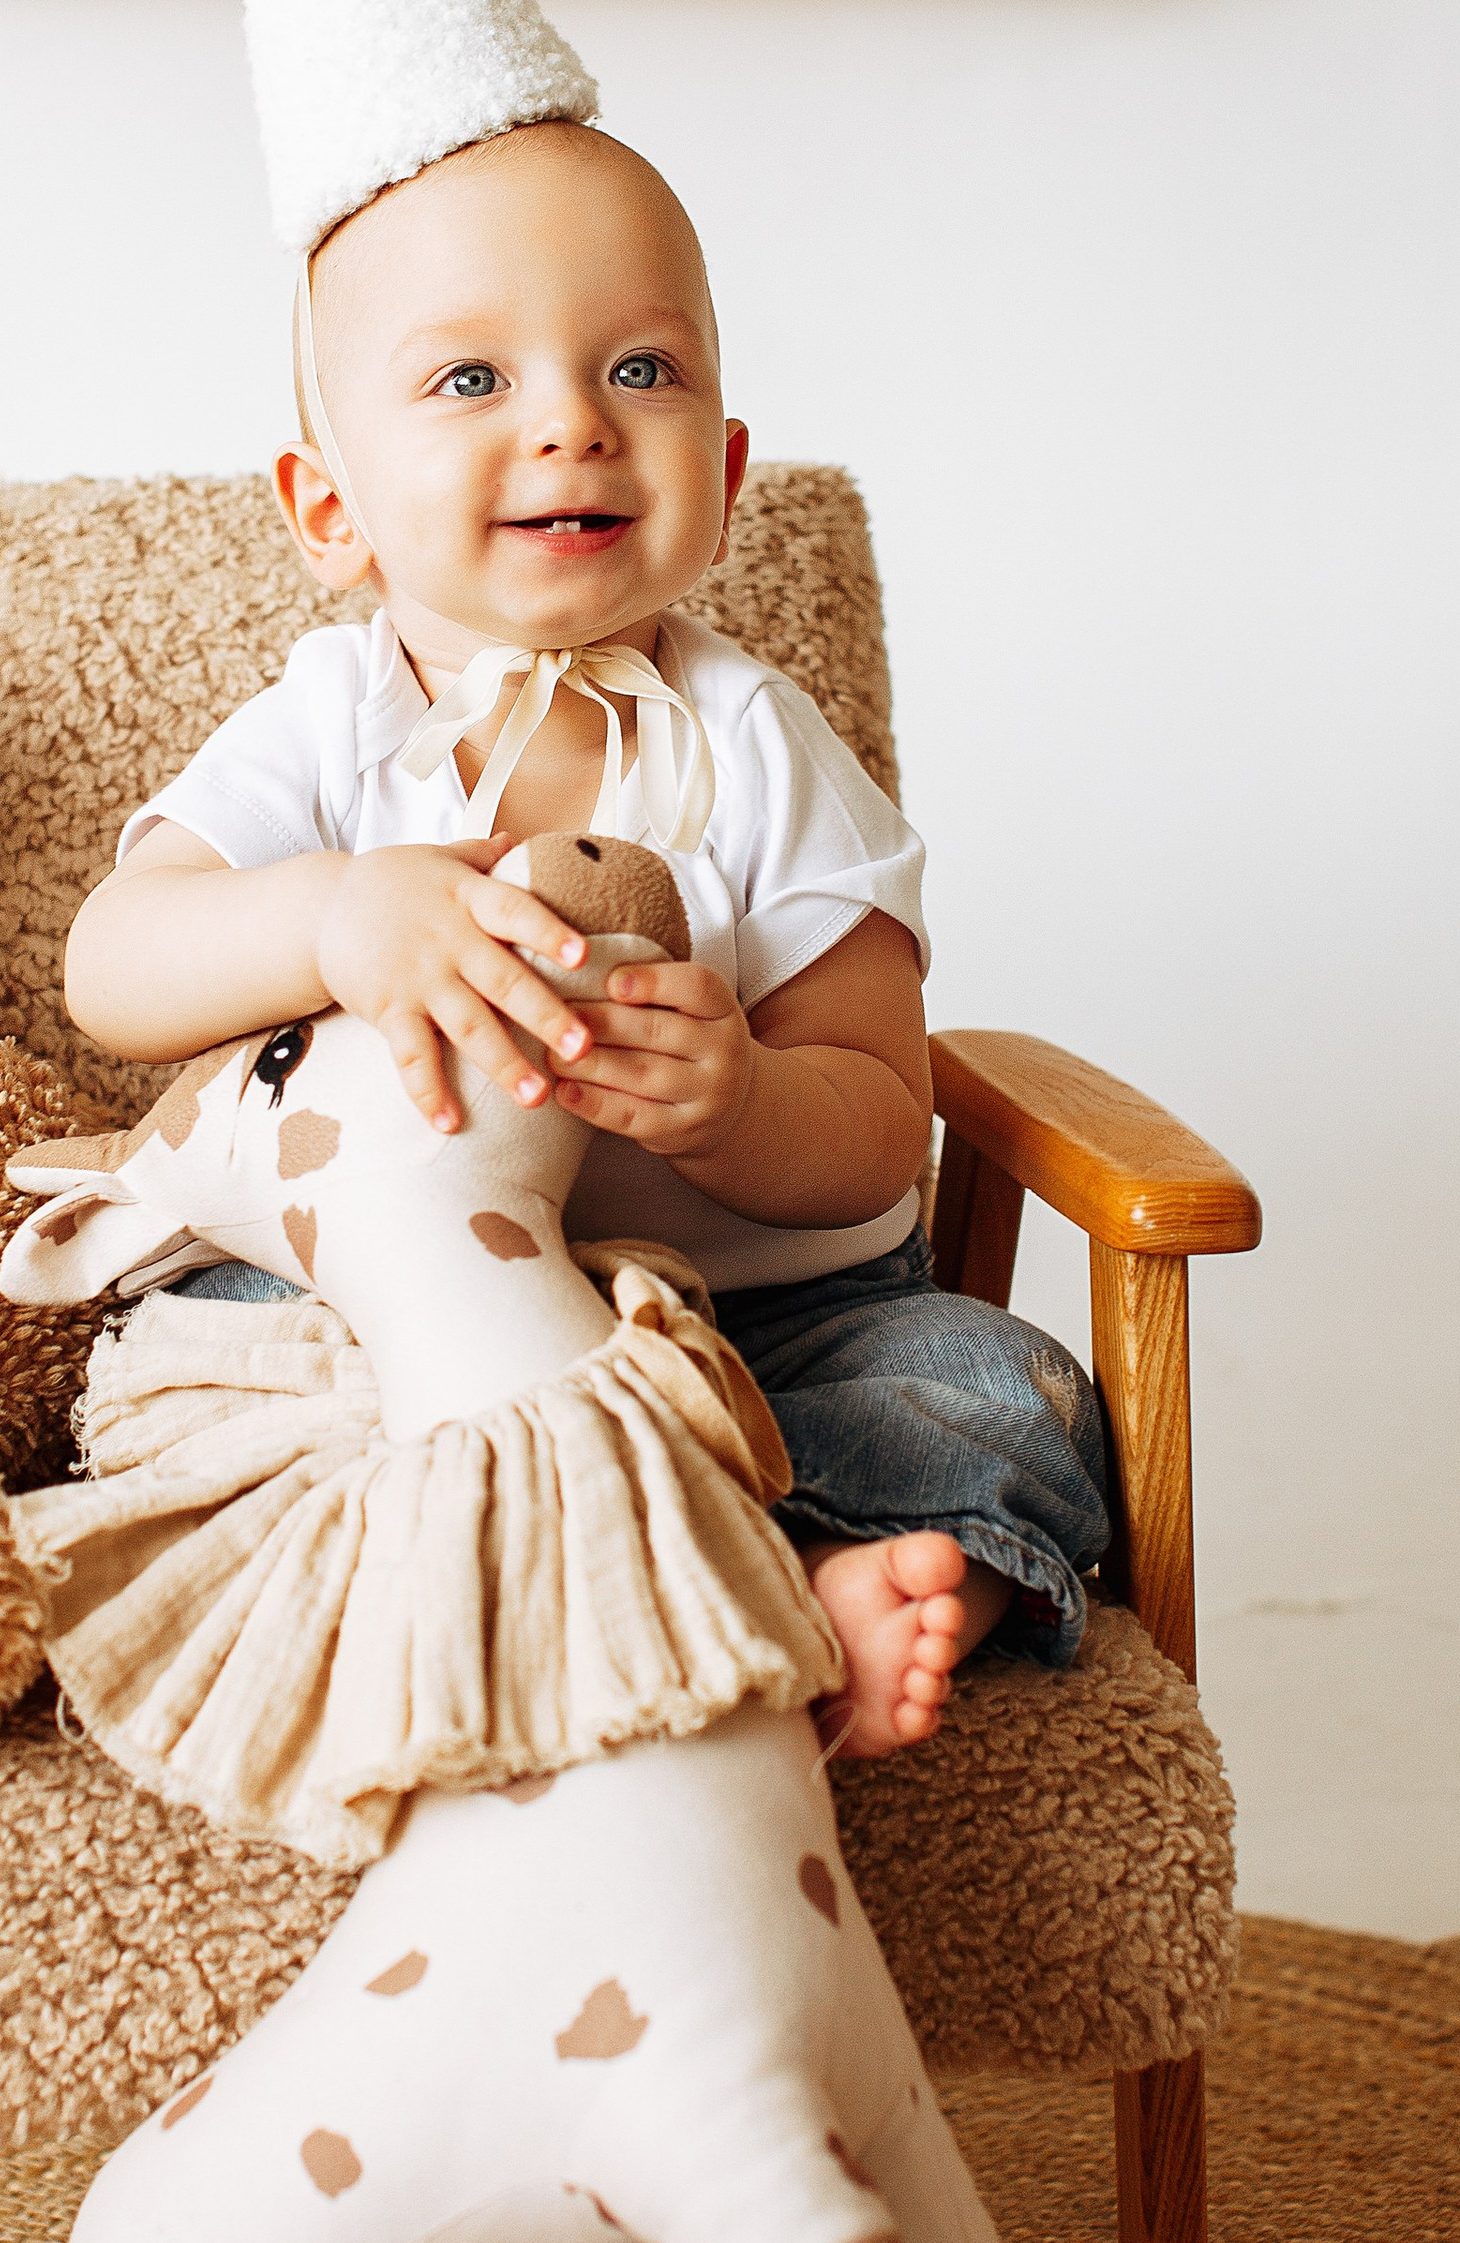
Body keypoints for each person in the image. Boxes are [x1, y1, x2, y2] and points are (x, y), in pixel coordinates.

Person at [63, 103, 1111, 1756]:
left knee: (993, 1384)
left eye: (642, 370)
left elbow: (874, 1114)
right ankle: (460, 1569)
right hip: (388, 1314)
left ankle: (827, 1578)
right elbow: (115, 964)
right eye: (472, 381)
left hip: (765, 1329)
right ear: (328, 506)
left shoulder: (763, 743)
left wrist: (750, 1105)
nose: (572, 426)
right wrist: (336, 914)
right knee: (253, 1365)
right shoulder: (333, 723)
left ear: (729, 471)